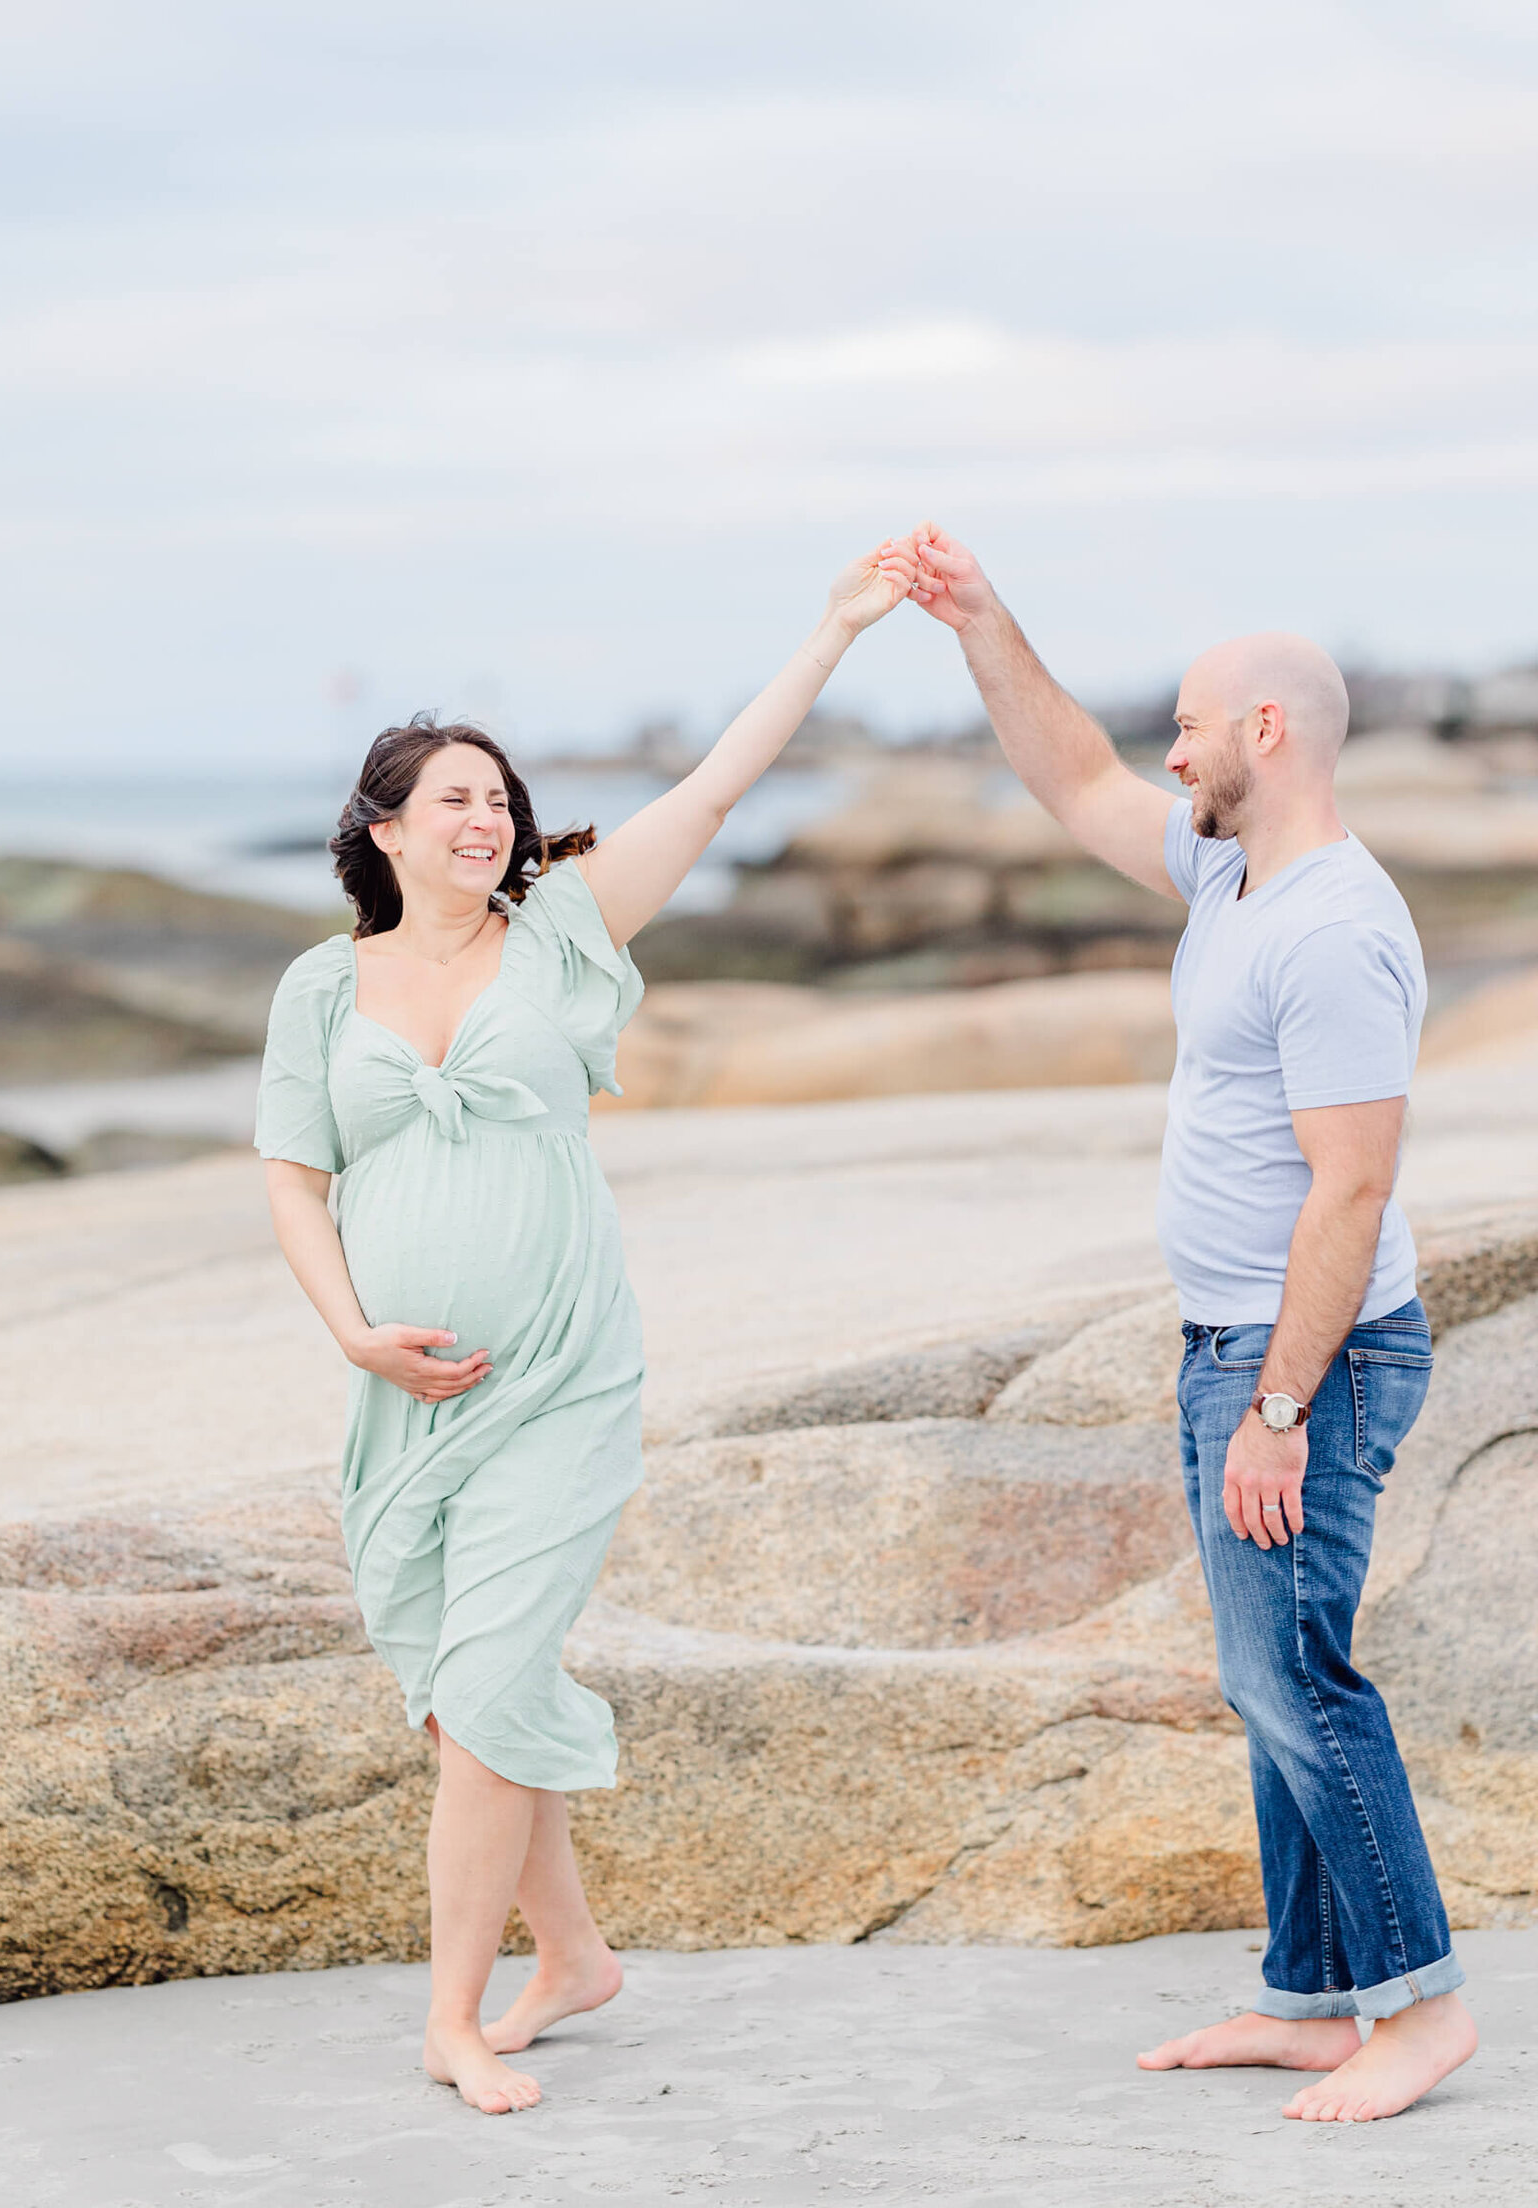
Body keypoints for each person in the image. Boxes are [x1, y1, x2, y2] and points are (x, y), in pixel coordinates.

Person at [255, 536, 918, 2115]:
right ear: (385, 830)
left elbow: (713, 786)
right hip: (404, 1397)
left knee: (483, 1686)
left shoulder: (563, 933)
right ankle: (575, 1961)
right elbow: (291, 1177)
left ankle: (454, 2020)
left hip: (556, 1376)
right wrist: (353, 1335)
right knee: (455, 1685)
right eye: (455, 801)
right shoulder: (319, 991)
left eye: (501, 797)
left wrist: (831, 631)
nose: (487, 819)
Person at [907, 523, 1478, 2126]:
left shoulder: (1338, 927)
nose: (1172, 749)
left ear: (1268, 733)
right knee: (1265, 1673)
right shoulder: (1230, 870)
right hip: (1234, 1343)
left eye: (1194, 723)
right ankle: (1311, 1999)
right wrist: (981, 624)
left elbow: (1353, 1192)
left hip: (1316, 1359)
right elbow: (1077, 778)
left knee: (1296, 1672)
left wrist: (1280, 1408)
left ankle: (1418, 2008)